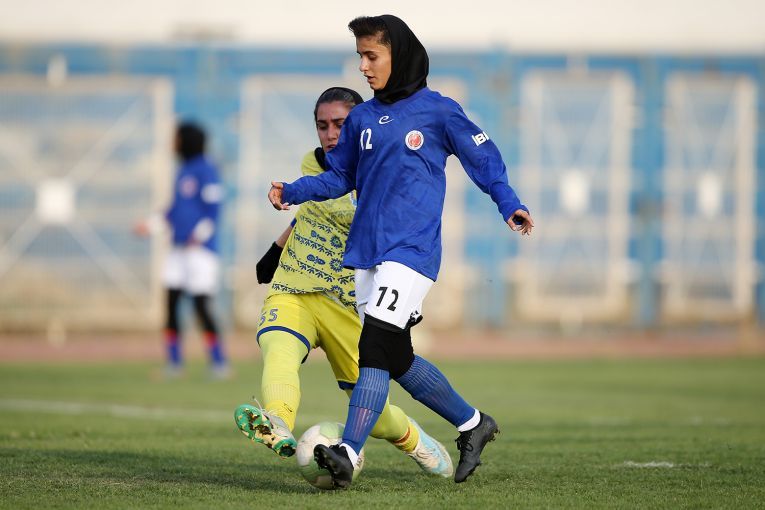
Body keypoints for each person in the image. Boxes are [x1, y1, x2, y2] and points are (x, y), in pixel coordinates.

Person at [268, 15, 534, 488]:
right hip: (366, 253)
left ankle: (348, 451)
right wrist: (293, 190)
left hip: (411, 251)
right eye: (360, 57)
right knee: (397, 358)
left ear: (400, 54)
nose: (364, 66)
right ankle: (474, 424)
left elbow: (484, 159)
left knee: (372, 346)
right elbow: (339, 177)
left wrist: (508, 202)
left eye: (372, 56)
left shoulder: (438, 111)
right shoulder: (363, 119)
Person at [234, 86, 453, 478]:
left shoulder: (388, 173)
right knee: (278, 347)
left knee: (376, 416)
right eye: (322, 125)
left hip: (349, 304)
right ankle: (277, 421)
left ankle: (415, 440)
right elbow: (313, 211)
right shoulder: (313, 163)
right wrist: (276, 249)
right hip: (296, 288)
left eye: (340, 124)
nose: (331, 134)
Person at [134, 121, 228, 379]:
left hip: (201, 252)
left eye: (176, 138)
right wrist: (151, 225)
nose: (172, 143)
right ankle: (174, 362)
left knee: (201, 306)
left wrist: (200, 234)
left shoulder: (207, 169)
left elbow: (214, 209)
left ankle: (219, 362)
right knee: (171, 302)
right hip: (178, 249)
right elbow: (174, 211)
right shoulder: (182, 171)